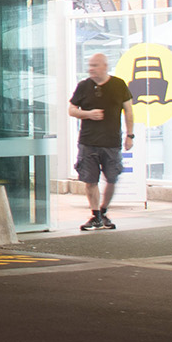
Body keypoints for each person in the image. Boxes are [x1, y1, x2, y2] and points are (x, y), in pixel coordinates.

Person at [67, 52, 134, 231]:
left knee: (112, 178)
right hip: (88, 141)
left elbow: (128, 110)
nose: (91, 69)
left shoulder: (118, 85)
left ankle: (103, 210)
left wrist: (130, 135)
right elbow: (71, 110)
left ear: (105, 66)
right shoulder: (83, 86)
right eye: (89, 65)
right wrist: (88, 114)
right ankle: (95, 215)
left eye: (95, 65)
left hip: (111, 142)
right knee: (90, 180)